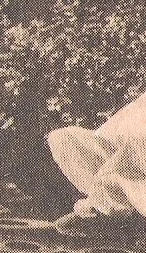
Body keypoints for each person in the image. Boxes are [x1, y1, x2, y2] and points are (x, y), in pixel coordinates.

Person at [47, 93, 146, 236]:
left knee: (128, 150)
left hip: (133, 168)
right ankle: (105, 207)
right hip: (125, 164)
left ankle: (104, 209)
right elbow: (112, 136)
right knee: (62, 138)